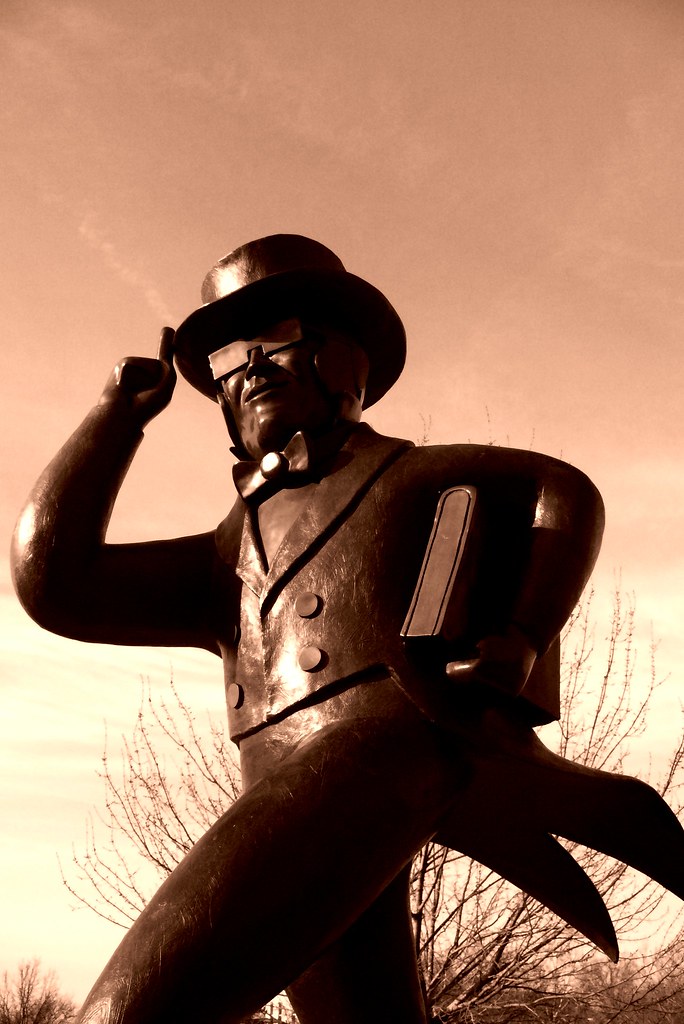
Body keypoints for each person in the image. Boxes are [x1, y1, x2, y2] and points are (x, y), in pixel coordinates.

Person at [12, 235, 684, 1024]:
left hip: (387, 751)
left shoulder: (410, 476)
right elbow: (55, 581)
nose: (251, 366)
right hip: (281, 795)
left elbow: (563, 493)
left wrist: (522, 633)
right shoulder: (226, 556)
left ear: (346, 361)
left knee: (128, 1012)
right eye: (230, 358)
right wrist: (115, 418)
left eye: (275, 341)